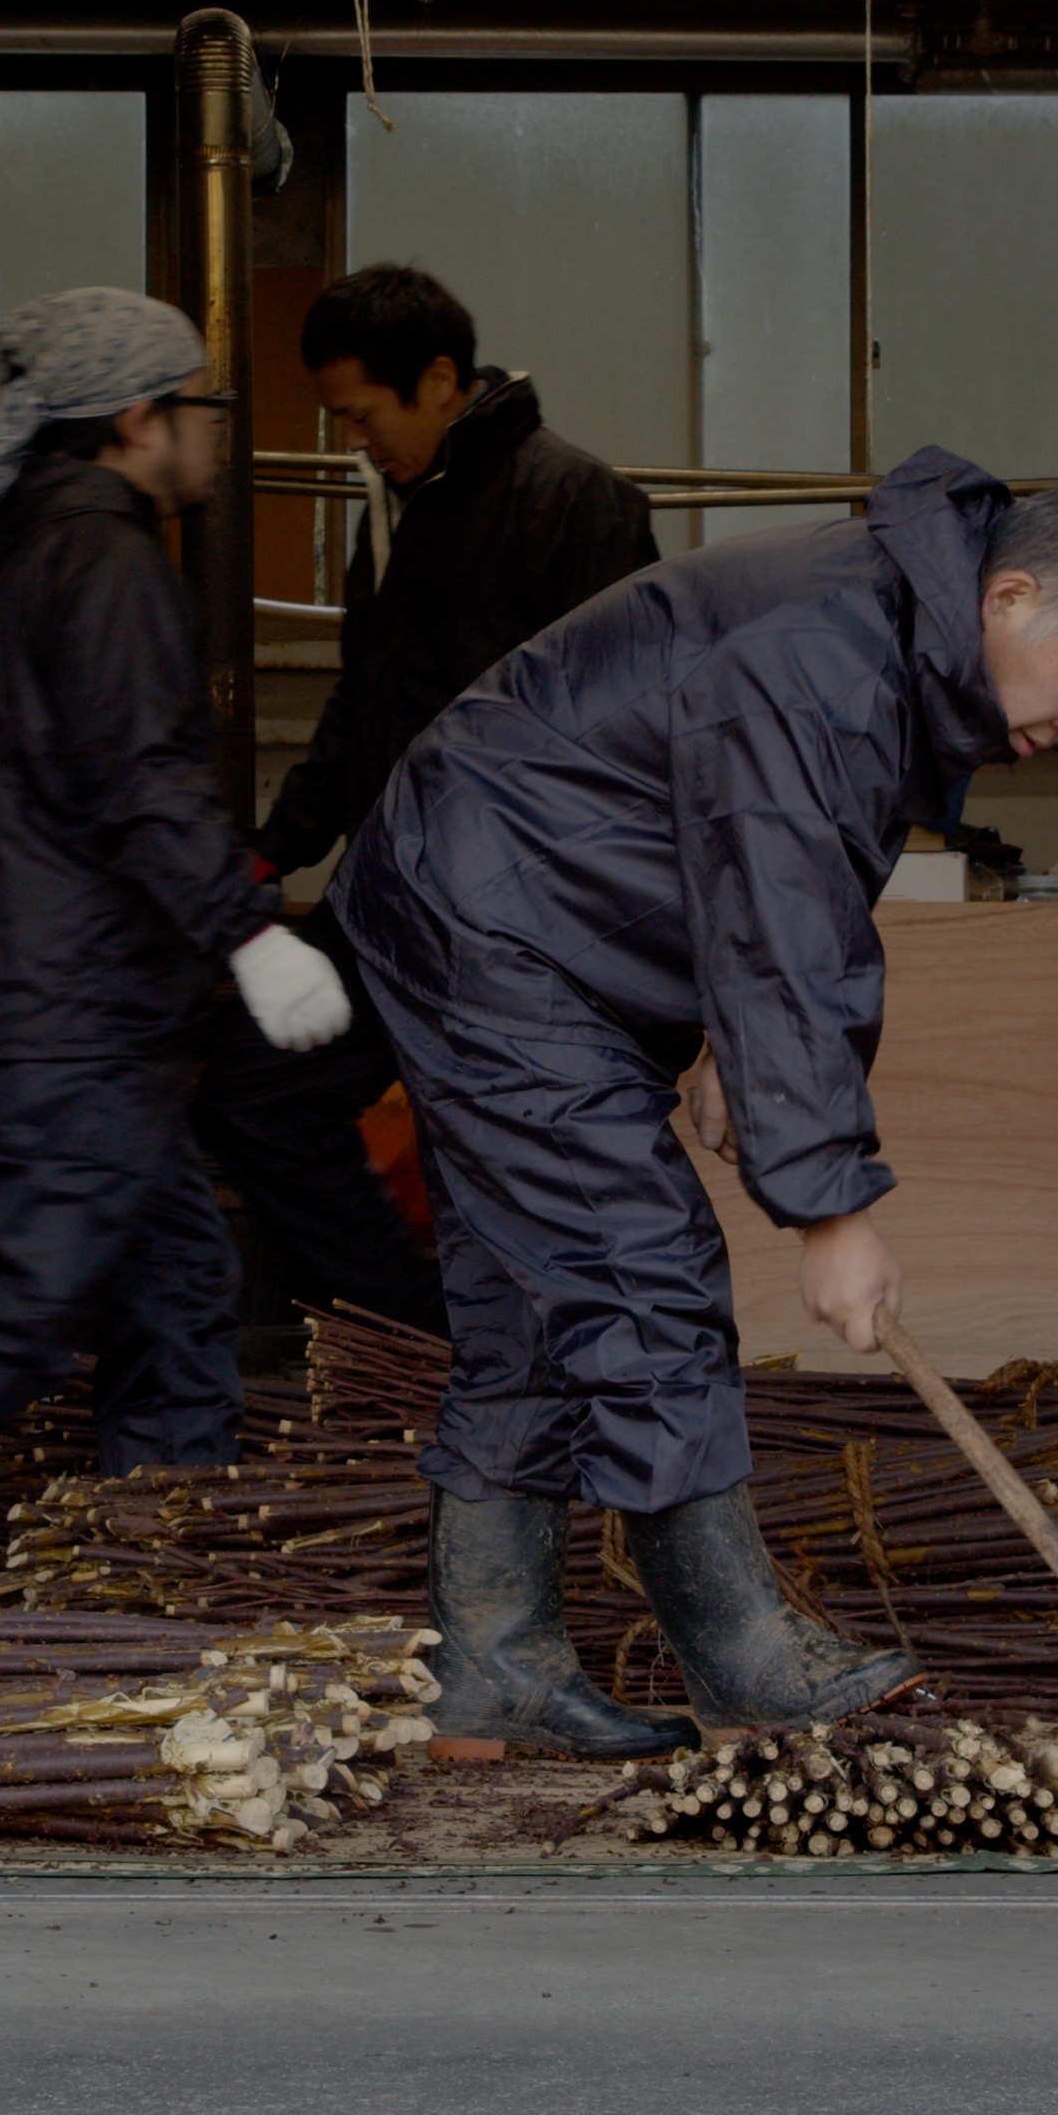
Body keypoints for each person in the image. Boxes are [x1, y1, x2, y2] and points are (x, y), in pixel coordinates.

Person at [329, 454, 1058, 1757]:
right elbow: (787, 917)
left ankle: (493, 1671)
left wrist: (735, 1051)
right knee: (639, 1265)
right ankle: (743, 1660)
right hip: (494, 922)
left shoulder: (884, 637)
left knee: (540, 1299)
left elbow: (775, 876)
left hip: (531, 913)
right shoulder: (833, 651)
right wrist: (827, 1201)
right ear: (1010, 596)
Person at [0, 289, 353, 1591]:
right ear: (139, 418)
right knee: (23, 1290)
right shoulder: (102, 558)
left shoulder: (13, 559)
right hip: (71, 1013)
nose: (215, 431)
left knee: (175, 1276)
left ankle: (153, 1552)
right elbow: (138, 778)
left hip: (51, 1004)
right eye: (201, 405)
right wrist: (251, 933)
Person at [196, 265, 658, 1335]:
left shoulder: (573, 502)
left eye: (361, 413)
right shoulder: (393, 517)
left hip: (510, 922)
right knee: (254, 1094)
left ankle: (491, 1375)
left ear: (441, 379)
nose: (352, 438)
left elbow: (636, 727)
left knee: (481, 1161)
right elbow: (366, 708)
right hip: (391, 895)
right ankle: (406, 1332)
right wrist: (276, 850)